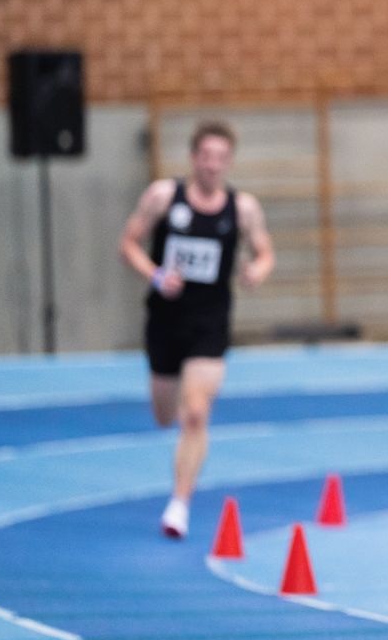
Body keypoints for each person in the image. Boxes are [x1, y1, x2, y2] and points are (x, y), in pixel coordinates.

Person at [118, 120, 275, 538]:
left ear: (229, 162)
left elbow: (264, 251)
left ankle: (179, 505)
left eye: (220, 159)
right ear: (193, 158)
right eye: (205, 157)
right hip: (165, 321)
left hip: (210, 323)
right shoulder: (163, 197)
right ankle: (178, 481)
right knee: (163, 415)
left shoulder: (242, 208)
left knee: (195, 414)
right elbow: (128, 243)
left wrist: (256, 270)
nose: (212, 166)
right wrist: (154, 275)